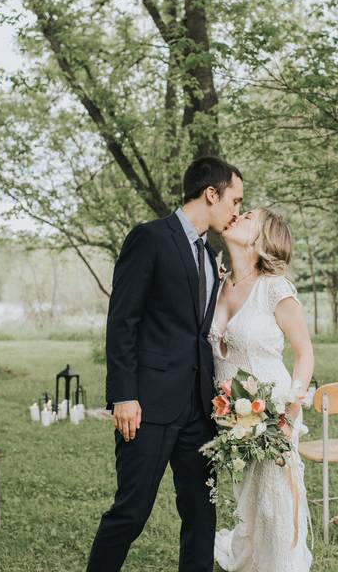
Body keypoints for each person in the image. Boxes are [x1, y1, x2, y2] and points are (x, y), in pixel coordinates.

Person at [87, 156, 244, 572]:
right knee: (131, 512)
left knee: (201, 513)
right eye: (235, 200)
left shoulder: (210, 256)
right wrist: (124, 394)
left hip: (199, 408)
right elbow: (123, 322)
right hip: (148, 407)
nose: (237, 211)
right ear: (211, 193)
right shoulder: (149, 238)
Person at [209, 208, 315, 572]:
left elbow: (304, 354)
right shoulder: (217, 284)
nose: (237, 215)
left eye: (248, 216)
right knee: (247, 505)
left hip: (273, 416)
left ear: (262, 239)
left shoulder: (275, 288)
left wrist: (288, 415)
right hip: (232, 418)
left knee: (274, 509)